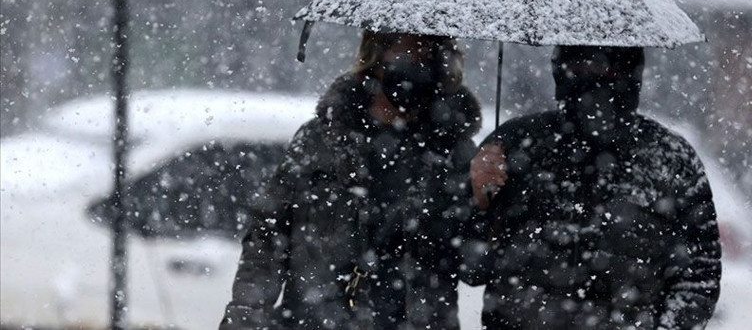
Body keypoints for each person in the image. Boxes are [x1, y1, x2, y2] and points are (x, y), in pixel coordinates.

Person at [221, 31, 481, 329]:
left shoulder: (455, 154)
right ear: (376, 57)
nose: (418, 66)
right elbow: (268, 237)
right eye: (409, 54)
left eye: (429, 57)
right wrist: (244, 317)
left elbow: (476, 267)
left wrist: (484, 200)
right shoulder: (322, 140)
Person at [461, 46, 721, 329]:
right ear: (560, 67)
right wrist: (478, 200)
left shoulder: (671, 160)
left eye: (609, 66)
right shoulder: (514, 146)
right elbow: (472, 269)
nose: (594, 78)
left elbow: (698, 278)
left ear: (632, 71)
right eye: (580, 66)